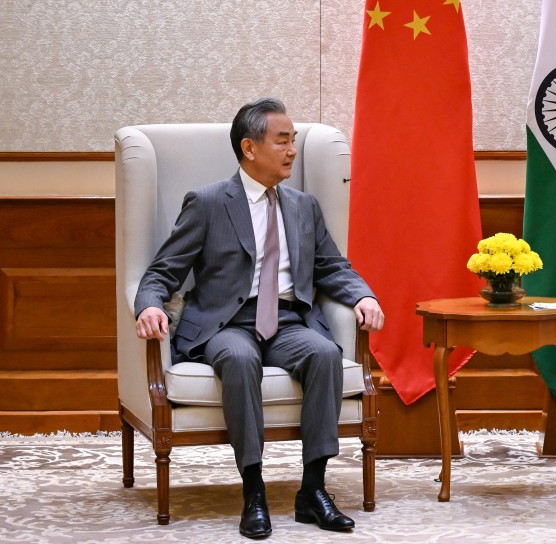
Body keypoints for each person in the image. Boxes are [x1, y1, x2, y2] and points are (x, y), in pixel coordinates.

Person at [134, 97, 384, 539]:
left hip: (289, 322)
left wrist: (362, 296)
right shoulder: (209, 202)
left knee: (325, 353)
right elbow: (163, 271)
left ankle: (313, 490)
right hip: (226, 325)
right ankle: (254, 490)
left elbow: (332, 267)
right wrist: (151, 304)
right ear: (250, 148)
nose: (292, 150)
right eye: (282, 141)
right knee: (237, 359)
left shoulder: (303, 205)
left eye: (294, 141)